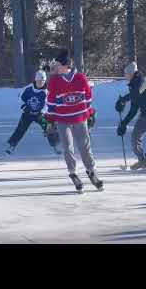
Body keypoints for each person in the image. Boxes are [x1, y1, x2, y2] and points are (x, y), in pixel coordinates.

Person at [45, 50, 103, 193]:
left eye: (57, 65)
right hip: (62, 120)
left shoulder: (80, 78)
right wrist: (50, 121)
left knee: (84, 146)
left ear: (65, 66)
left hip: (79, 118)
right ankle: (73, 173)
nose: (55, 67)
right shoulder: (54, 81)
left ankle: (92, 172)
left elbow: (88, 97)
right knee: (68, 147)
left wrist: (88, 112)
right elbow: (51, 101)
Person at [6, 70, 61, 155]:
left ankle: (56, 145)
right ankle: (12, 145)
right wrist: (25, 108)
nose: (41, 83)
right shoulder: (28, 88)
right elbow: (20, 98)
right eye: (39, 81)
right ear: (35, 80)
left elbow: (48, 104)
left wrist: (42, 112)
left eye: (42, 81)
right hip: (28, 113)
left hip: (39, 114)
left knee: (49, 127)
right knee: (21, 128)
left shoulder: (47, 92)